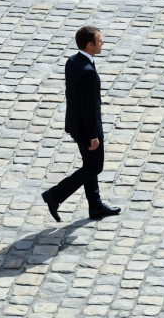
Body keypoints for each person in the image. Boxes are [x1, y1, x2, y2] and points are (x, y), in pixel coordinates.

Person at [42, 26, 121, 221]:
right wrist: (93, 136)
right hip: (87, 130)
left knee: (90, 164)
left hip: (76, 125)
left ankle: (95, 206)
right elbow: (88, 107)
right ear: (89, 44)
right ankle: (55, 195)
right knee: (94, 167)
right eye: (100, 40)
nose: (103, 43)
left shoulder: (72, 62)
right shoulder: (88, 72)